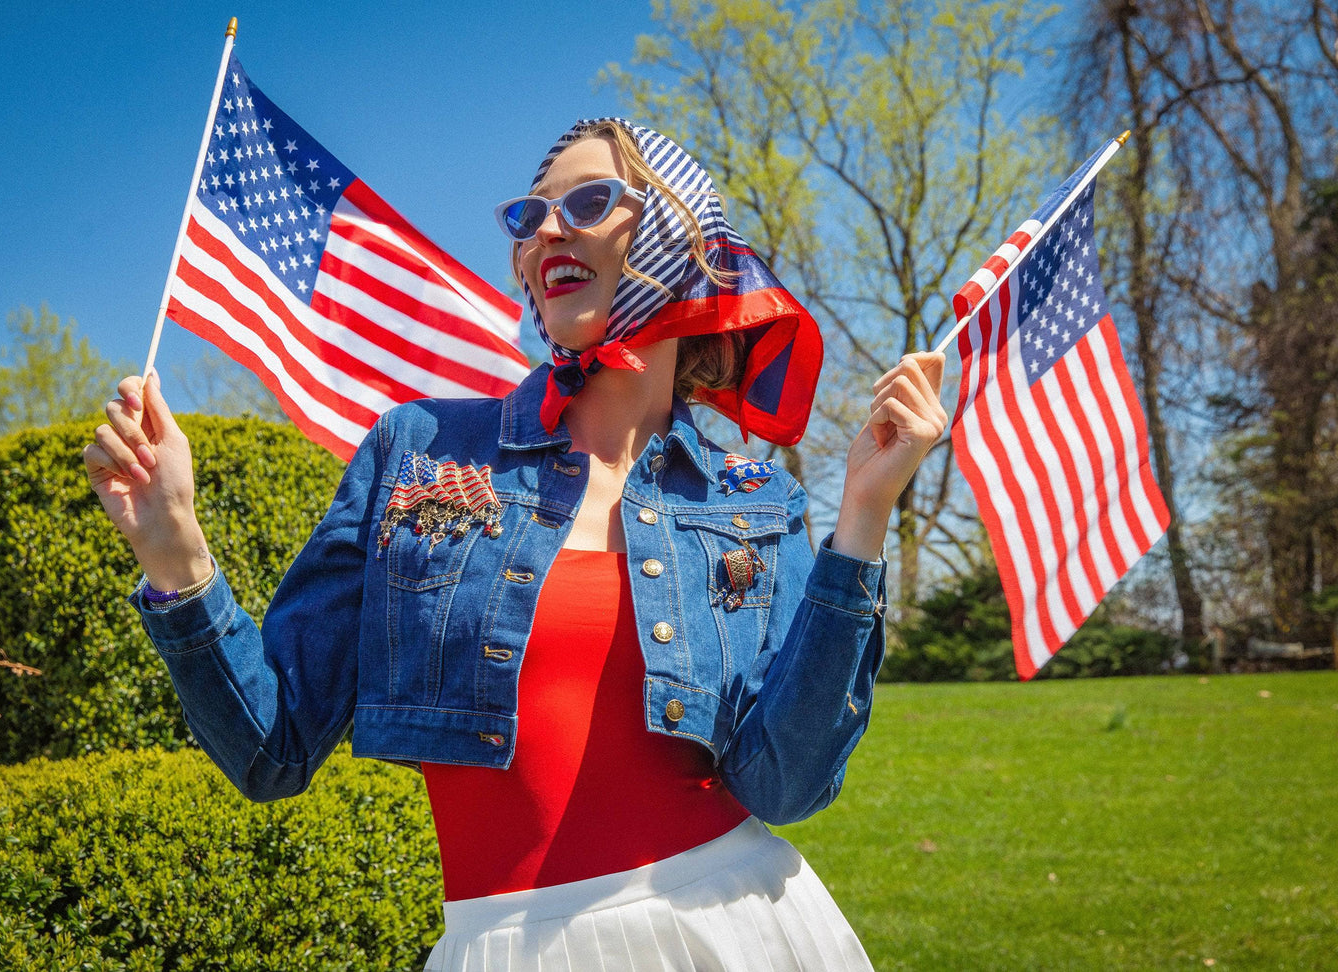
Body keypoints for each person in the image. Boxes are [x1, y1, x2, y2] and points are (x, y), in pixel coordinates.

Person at [85, 117, 947, 971]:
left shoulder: (756, 500)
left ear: (680, 238)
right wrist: (174, 555)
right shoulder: (415, 449)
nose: (545, 232)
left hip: (733, 931)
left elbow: (786, 786)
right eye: (526, 216)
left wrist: (863, 521)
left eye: (590, 201)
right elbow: (270, 750)